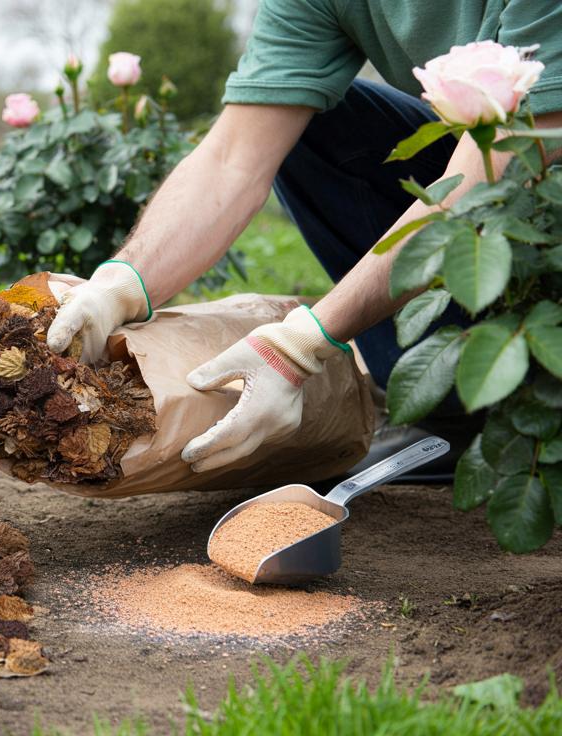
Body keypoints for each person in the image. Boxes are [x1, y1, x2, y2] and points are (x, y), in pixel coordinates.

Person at [46, 1, 562, 475]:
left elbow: (512, 152)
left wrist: (303, 343)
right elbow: (234, 156)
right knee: (314, 118)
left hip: (540, 161)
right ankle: (454, 410)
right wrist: (119, 284)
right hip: (496, 160)